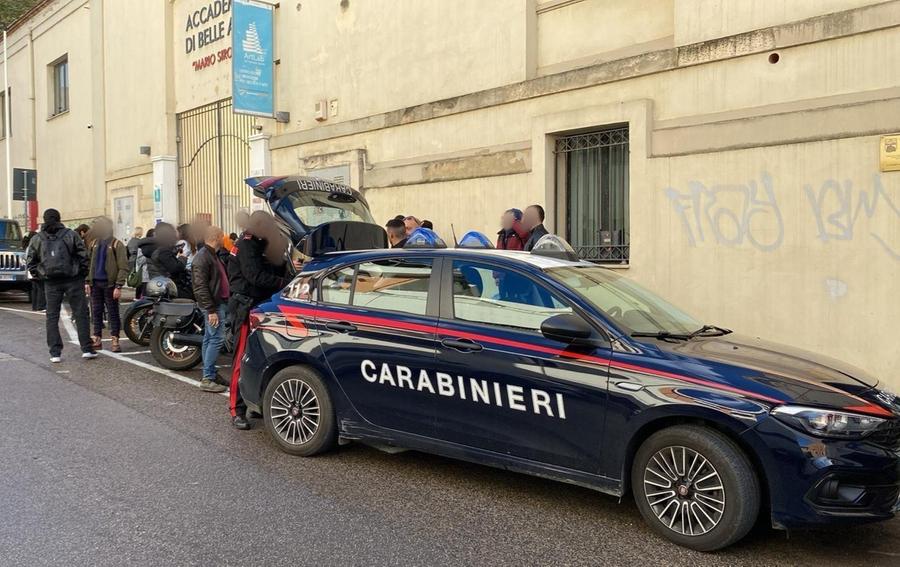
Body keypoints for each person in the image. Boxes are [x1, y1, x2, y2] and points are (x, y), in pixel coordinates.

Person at [227, 211, 290, 430]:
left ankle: (253, 402)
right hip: (245, 307)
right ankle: (237, 409)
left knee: (259, 357)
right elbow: (255, 276)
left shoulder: (260, 242)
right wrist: (286, 282)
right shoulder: (247, 244)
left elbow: (273, 267)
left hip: (259, 307)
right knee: (241, 358)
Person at [25, 208, 97, 362]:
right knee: (80, 314)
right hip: (73, 279)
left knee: (52, 316)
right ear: (59, 218)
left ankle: (55, 353)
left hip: (50, 282)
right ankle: (86, 348)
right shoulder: (71, 234)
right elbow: (83, 255)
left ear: (44, 220)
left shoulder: (38, 238)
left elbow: (31, 261)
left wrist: (41, 275)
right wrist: (81, 274)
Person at [192, 225, 229, 393]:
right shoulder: (204, 257)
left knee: (209, 338)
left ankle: (211, 373)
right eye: (222, 236)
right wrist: (211, 310)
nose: (224, 238)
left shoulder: (210, 255)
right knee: (216, 339)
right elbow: (200, 286)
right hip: (213, 305)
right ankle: (208, 377)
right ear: (217, 237)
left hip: (215, 304)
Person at [85, 217, 128, 353]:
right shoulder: (94, 244)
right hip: (95, 284)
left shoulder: (117, 244)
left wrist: (119, 285)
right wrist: (87, 281)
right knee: (96, 312)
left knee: (113, 312)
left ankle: (115, 339)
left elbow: (123, 266)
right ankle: (97, 337)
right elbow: (88, 264)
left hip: (110, 285)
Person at [140, 222, 192, 298]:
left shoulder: (153, 248)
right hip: (168, 286)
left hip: (159, 284)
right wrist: (182, 258)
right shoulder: (163, 250)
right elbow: (175, 268)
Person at [23, 232, 46, 311]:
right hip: (35, 269)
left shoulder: (27, 247)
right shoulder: (33, 246)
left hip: (30, 270)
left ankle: (35, 306)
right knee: (40, 288)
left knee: (35, 288)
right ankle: (40, 306)